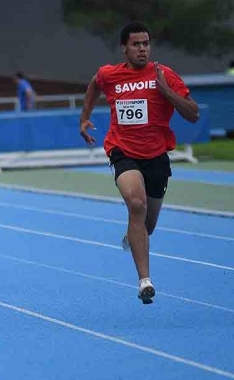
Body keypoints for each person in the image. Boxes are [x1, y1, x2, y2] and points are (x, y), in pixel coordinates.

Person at [79, 22, 199, 304]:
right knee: (136, 204)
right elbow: (95, 83)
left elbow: (193, 114)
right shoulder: (110, 74)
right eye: (136, 44)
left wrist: (166, 91)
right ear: (124, 48)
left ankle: (135, 235)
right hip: (123, 151)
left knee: (148, 224)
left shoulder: (164, 74)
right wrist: (84, 117)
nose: (142, 48)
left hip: (156, 156)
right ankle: (145, 280)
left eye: (146, 44)